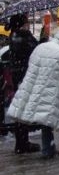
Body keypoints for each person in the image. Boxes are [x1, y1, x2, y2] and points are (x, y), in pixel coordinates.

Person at [7, 28, 59, 159]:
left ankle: (47, 150)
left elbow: (32, 63)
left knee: (45, 118)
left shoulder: (41, 47)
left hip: (38, 87)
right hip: (54, 89)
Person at [3, 13, 40, 154]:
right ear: (21, 24)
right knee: (23, 110)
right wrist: (40, 39)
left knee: (21, 109)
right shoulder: (22, 37)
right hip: (24, 76)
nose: (28, 24)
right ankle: (22, 143)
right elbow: (34, 50)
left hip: (18, 76)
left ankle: (22, 142)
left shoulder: (14, 35)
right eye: (26, 22)